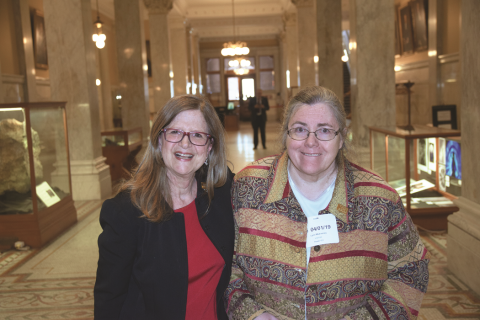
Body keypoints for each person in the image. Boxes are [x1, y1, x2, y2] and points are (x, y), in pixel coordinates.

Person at [225, 86, 429, 320]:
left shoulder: (379, 200)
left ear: (341, 137)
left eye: (324, 131)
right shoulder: (247, 188)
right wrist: (253, 315)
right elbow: (222, 264)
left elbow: (411, 271)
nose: (311, 142)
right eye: (300, 130)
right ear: (286, 135)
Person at [94, 95, 235, 319]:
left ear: (210, 147)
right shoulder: (125, 213)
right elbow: (109, 300)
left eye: (197, 135)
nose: (185, 144)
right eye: (175, 132)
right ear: (159, 140)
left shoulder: (220, 192)